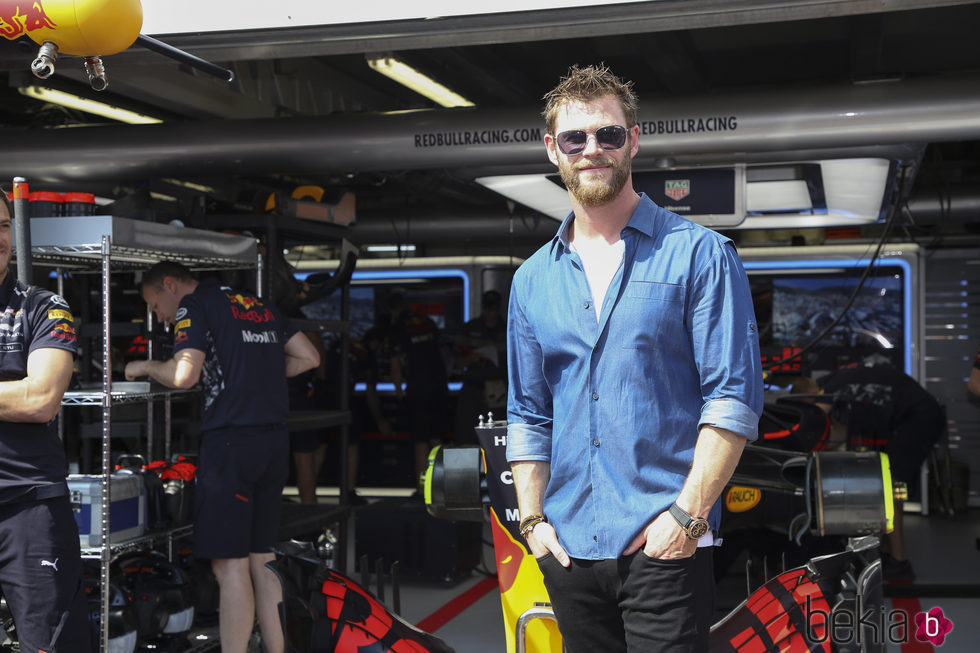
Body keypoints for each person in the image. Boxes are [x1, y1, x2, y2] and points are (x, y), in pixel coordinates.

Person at [506, 64, 763, 652]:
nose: (592, 149)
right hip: (568, 550)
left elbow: (733, 401)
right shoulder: (532, 280)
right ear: (554, 149)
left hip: (664, 544)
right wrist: (532, 522)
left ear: (633, 141)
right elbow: (527, 412)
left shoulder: (700, 254)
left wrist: (688, 519)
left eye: (608, 134)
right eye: (576, 138)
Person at [124, 261, 320, 653]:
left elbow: (184, 375)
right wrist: (255, 373)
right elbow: (308, 357)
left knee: (229, 567)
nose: (159, 316)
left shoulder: (193, 306)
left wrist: (142, 365)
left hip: (231, 446)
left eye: (155, 304)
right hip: (273, 442)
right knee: (262, 560)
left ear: (169, 284)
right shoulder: (255, 303)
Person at [0, 193, 91, 652]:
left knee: (50, 644)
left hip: (28, 507)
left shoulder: (42, 307)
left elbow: (40, 399)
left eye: (1, 226)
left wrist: (25, 394)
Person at [808, 356, 945, 581]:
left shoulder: (834, 383)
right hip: (919, 416)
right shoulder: (856, 373)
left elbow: (816, 419)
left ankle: (900, 563)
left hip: (918, 420)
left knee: (892, 489)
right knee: (888, 485)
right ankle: (887, 554)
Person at [387, 293, 450, 491]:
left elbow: (395, 365)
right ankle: (441, 488)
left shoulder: (397, 328)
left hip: (418, 388)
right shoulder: (428, 322)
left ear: (392, 310)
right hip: (439, 386)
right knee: (437, 438)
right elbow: (445, 354)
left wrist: (399, 393)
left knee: (420, 441)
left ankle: (424, 490)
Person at [454, 289, 508, 443]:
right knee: (466, 434)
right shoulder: (469, 329)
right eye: (487, 308)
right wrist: (470, 358)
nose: (490, 313)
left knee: (497, 435)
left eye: (494, 309)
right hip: (473, 386)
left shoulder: (507, 329)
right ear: (482, 308)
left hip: (498, 388)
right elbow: (456, 361)